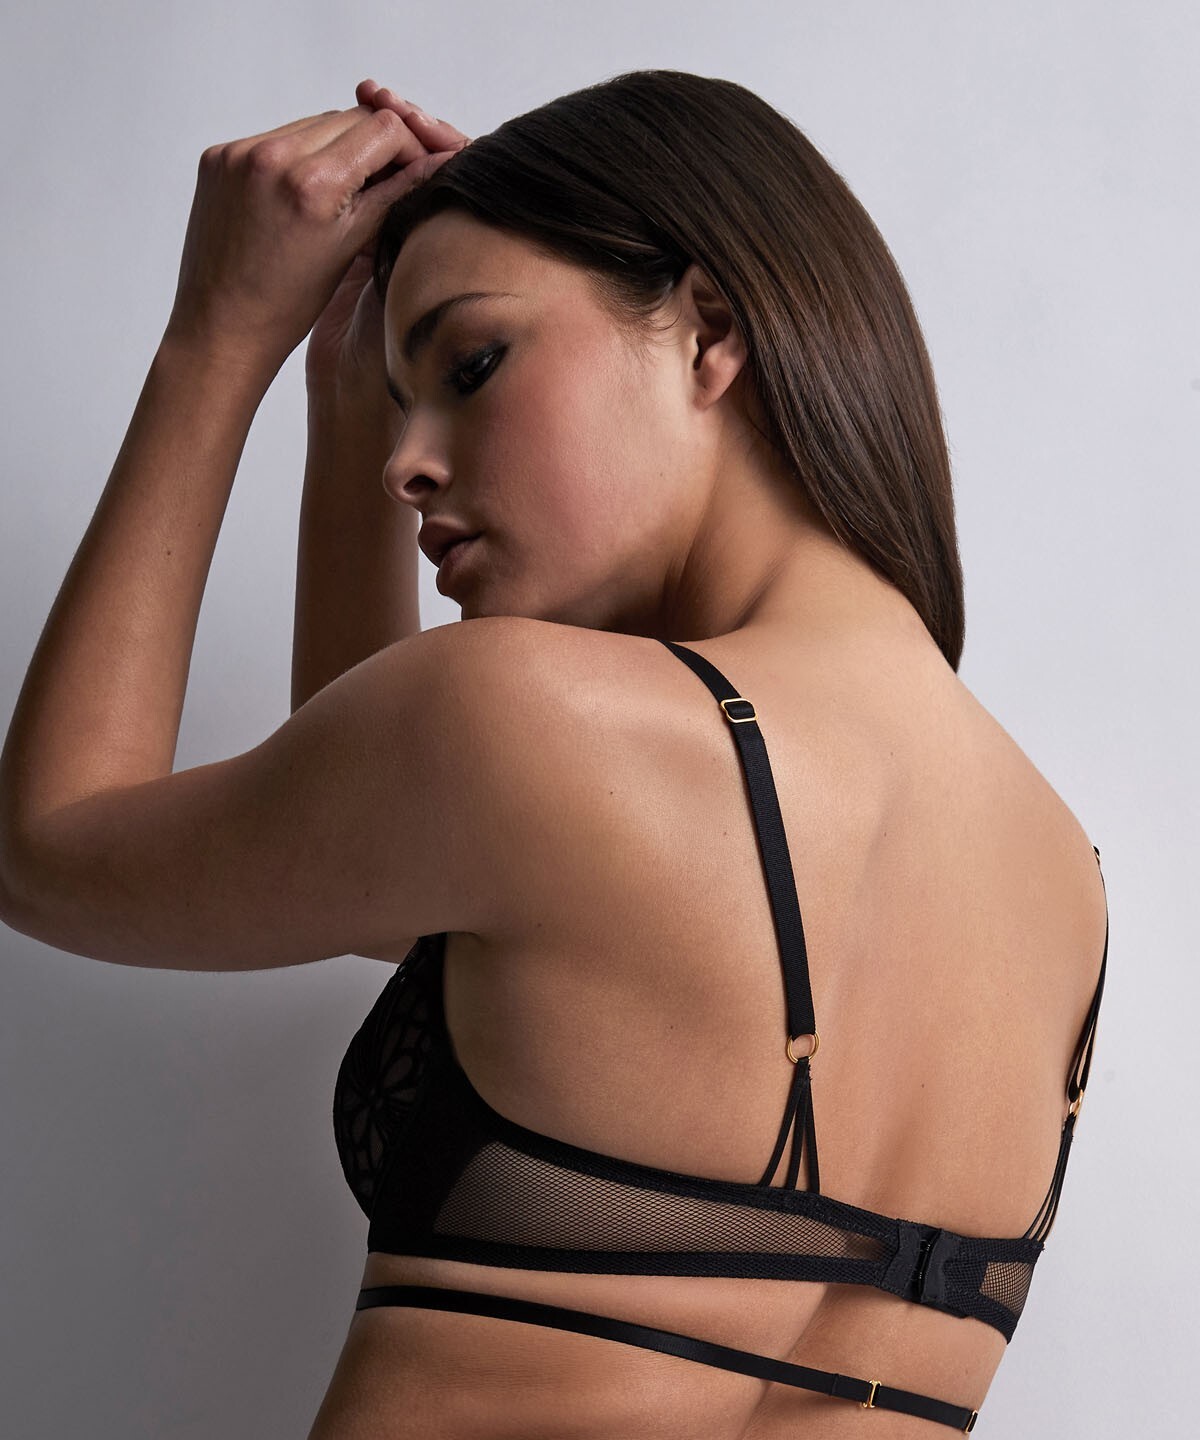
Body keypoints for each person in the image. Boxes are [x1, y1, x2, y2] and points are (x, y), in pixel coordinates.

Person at [0, 69, 1108, 1439]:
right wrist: (354, 401)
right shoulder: (1063, 879)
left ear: (711, 330)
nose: (407, 462)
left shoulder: (533, 732)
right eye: (402, 408)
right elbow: (391, 859)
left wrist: (217, 336)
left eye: (472, 366)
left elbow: (52, 847)